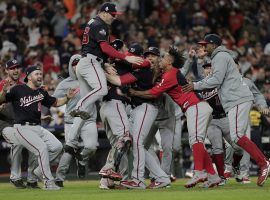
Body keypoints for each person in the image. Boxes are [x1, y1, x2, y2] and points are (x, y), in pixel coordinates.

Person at [182, 33, 270, 186]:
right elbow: (213, 76)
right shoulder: (219, 57)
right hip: (235, 100)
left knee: (236, 137)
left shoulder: (220, 56)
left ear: (213, 45)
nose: (203, 47)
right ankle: (249, 165)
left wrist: (195, 85)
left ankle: (263, 163)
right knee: (237, 139)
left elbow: (216, 80)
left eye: (205, 44)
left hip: (237, 99)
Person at [129, 46, 221, 188]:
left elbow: (154, 93)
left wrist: (134, 92)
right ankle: (213, 176)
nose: (161, 60)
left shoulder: (170, 74)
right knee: (197, 142)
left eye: (164, 58)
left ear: (170, 62)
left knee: (195, 140)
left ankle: (199, 172)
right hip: (197, 108)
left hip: (194, 106)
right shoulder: (169, 73)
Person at [66, 2, 144, 158]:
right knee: (100, 90)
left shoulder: (92, 23)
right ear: (104, 12)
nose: (114, 17)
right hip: (91, 62)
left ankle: (70, 143)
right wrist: (126, 58)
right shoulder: (99, 24)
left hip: (88, 61)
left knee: (86, 110)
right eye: (113, 14)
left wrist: (107, 63)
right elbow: (105, 48)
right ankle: (80, 105)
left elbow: (99, 49)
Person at [0, 65, 76, 190]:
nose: (40, 76)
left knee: (57, 147)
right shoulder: (18, 89)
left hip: (37, 127)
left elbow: (56, 103)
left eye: (41, 74)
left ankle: (39, 171)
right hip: (22, 127)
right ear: (29, 77)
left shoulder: (41, 92)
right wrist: (3, 91)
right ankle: (48, 182)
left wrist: (67, 97)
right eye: (37, 74)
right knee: (42, 148)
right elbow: (2, 99)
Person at [106, 43, 171, 189]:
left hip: (146, 107)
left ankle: (138, 179)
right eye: (131, 56)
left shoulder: (144, 71)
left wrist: (100, 71)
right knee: (137, 145)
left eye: (136, 57)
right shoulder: (138, 69)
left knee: (137, 143)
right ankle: (162, 178)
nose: (132, 58)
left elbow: (119, 81)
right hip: (138, 109)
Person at [54, 54, 99, 187]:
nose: (77, 66)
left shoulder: (92, 80)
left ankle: (82, 161)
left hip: (88, 119)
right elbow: (54, 101)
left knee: (91, 147)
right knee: (68, 150)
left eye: (79, 63)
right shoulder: (65, 83)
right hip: (71, 121)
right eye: (74, 64)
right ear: (70, 66)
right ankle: (59, 178)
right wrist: (66, 98)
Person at [98, 39, 132, 189]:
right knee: (125, 138)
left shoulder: (101, 65)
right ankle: (109, 169)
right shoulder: (121, 64)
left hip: (104, 107)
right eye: (123, 48)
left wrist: (104, 65)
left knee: (117, 145)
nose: (125, 51)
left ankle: (106, 182)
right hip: (115, 103)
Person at [0, 59, 38, 189]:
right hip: (4, 122)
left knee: (36, 143)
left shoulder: (23, 86)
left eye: (17, 67)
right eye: (12, 68)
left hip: (19, 122)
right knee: (16, 141)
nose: (15, 70)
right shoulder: (2, 84)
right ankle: (15, 177)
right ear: (6, 70)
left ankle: (32, 179)